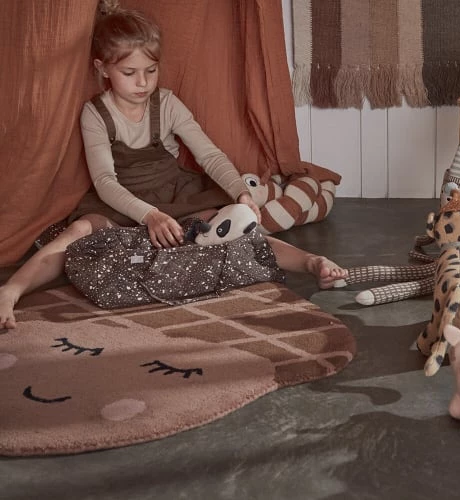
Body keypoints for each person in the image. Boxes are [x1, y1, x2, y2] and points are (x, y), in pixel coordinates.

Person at [0, 4, 347, 330]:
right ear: (102, 68)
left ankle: (310, 262)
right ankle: (12, 291)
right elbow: (105, 181)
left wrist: (241, 193)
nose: (142, 83)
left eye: (151, 71)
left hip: (175, 194)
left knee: (231, 225)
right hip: (122, 201)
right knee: (76, 233)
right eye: (129, 73)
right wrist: (149, 216)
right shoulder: (95, 113)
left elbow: (210, 155)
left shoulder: (166, 104)